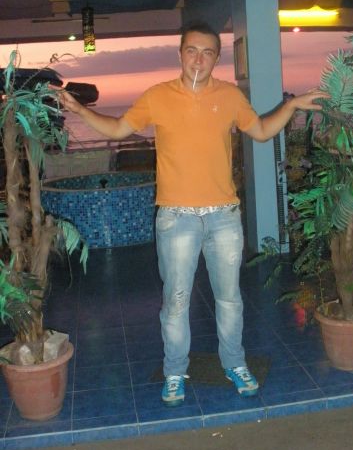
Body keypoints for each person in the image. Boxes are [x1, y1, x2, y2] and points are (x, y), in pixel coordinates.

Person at [59, 21, 325, 407]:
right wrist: (79, 110)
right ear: (180, 54)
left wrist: (291, 105)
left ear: (217, 59)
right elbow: (117, 130)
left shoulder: (230, 96)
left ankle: (235, 363)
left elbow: (262, 131)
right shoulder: (157, 96)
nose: (199, 59)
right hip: (176, 218)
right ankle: (174, 371)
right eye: (192, 51)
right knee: (176, 301)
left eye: (207, 53)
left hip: (224, 217)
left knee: (230, 299)